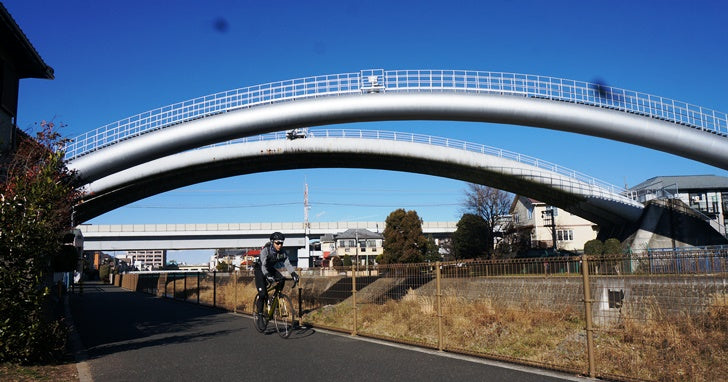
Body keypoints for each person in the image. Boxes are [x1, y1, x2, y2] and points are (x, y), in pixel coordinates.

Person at [254, 232, 299, 316]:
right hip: (260, 269)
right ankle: (259, 313)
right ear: (272, 242)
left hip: (270, 269)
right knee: (263, 294)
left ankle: (275, 299)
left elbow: (287, 264)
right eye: (277, 243)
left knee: (281, 279)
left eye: (281, 243)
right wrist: (268, 276)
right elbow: (263, 266)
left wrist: (293, 273)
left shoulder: (282, 252)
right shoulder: (265, 251)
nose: (279, 245)